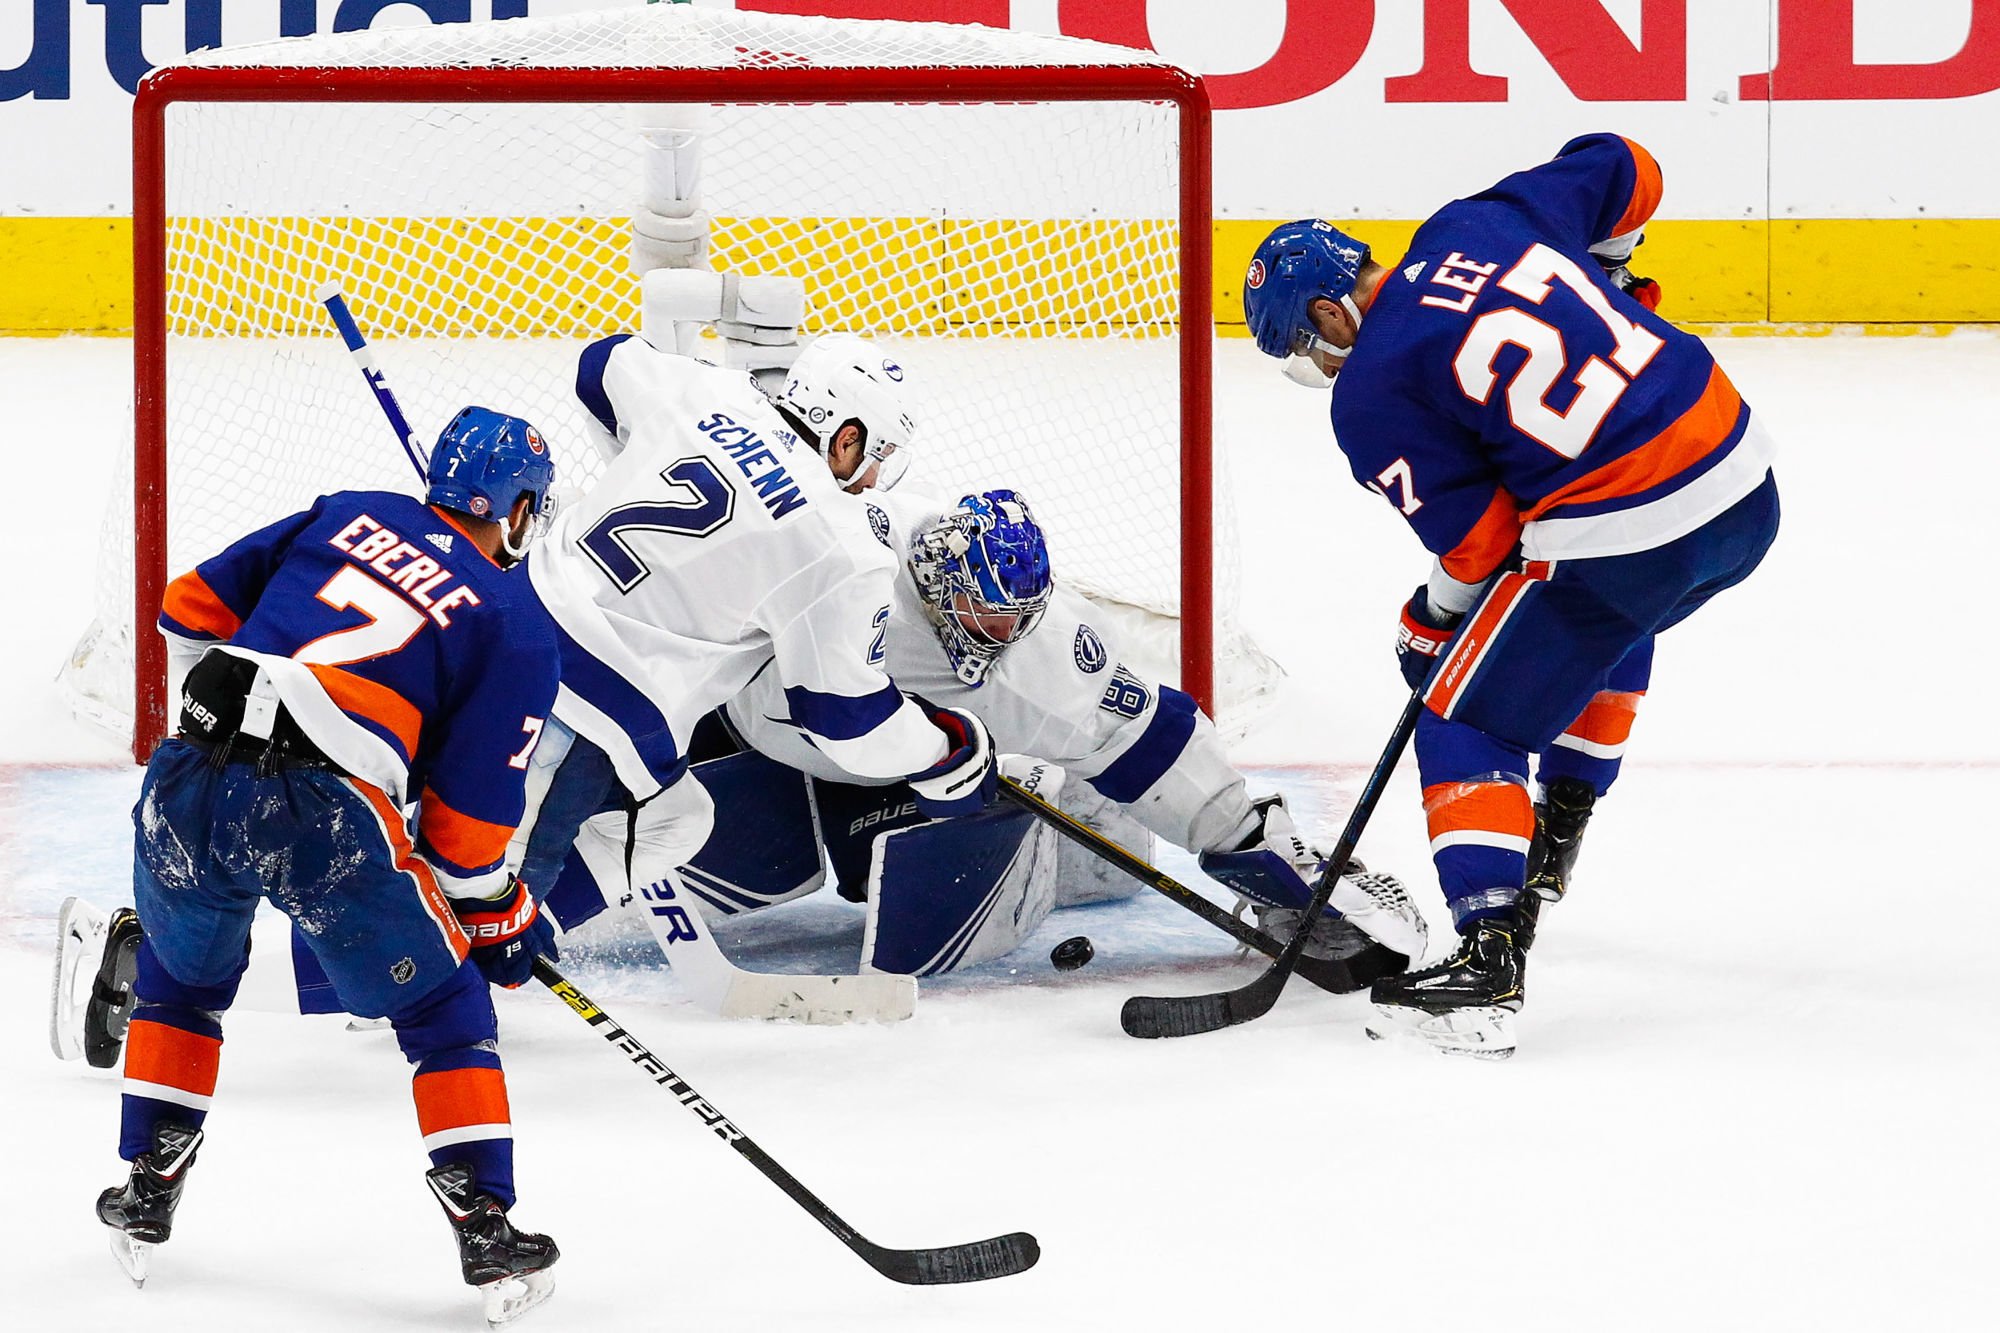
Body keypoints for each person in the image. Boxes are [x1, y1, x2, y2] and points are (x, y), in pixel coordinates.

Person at [1242, 133, 1780, 1059]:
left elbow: (1482, 541)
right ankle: (1557, 827)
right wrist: (1605, 271)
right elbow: (1626, 162)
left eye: (1307, 347)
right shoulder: (1479, 220)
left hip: (1632, 527)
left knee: (1462, 708)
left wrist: (1431, 620)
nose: (1321, 367)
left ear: (1334, 313)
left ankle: (1487, 961)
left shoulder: (1369, 390)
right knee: (1597, 621)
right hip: (1742, 477)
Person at [92, 407, 567, 1324]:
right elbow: (466, 837)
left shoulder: (346, 508)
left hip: (186, 775)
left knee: (179, 987)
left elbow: (186, 606)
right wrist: (498, 915)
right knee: (443, 1008)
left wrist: (208, 731)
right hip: (325, 812)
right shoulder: (514, 623)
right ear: (513, 510)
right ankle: (485, 1223)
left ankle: (147, 1187)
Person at [665, 486, 1429, 976]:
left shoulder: (1044, 650)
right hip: (746, 721)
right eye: (989, 613)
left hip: (887, 769)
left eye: (1016, 619)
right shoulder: (853, 556)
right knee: (691, 825)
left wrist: (1256, 845)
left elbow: (1151, 739)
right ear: (940, 580)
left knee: (894, 891)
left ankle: (1075, 837)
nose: (1000, 634)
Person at [510, 330, 998, 984]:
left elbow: (600, 365)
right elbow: (848, 722)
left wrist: (639, 462)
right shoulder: (841, 546)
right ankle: (468, 952)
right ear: (845, 436)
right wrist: (940, 747)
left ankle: (499, 927)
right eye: (876, 454)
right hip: (584, 704)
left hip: (500, 611)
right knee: (471, 905)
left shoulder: (711, 392)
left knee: (678, 818)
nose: (877, 477)